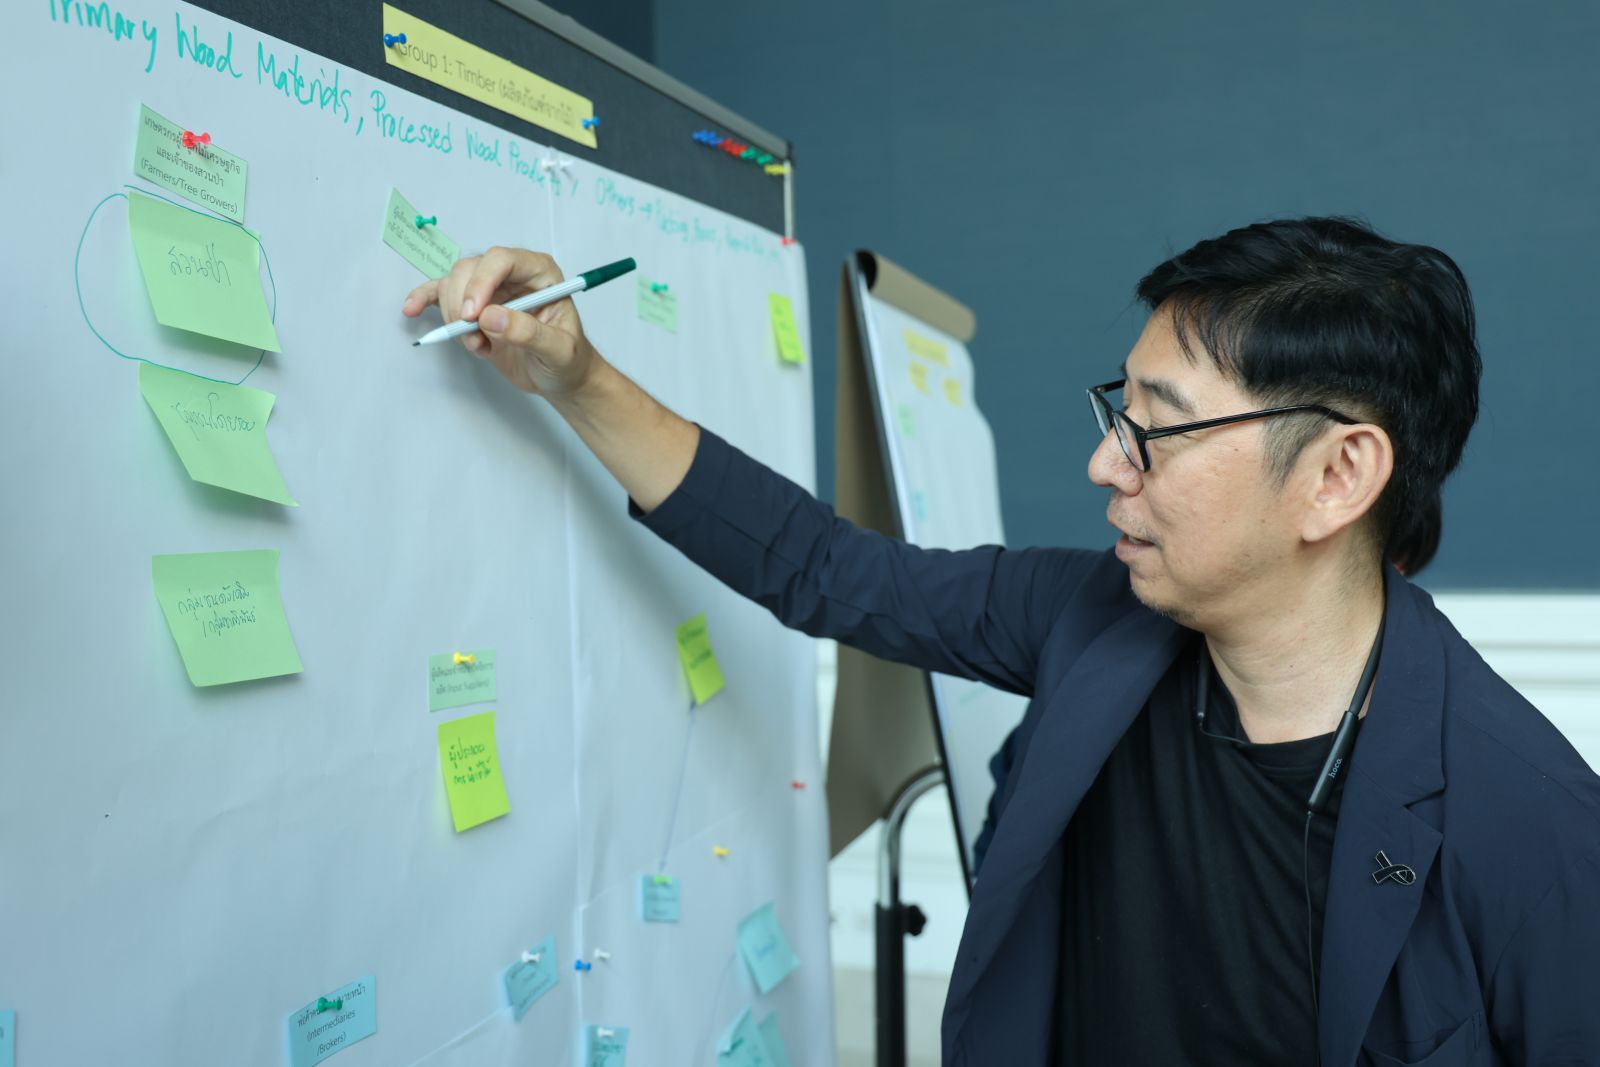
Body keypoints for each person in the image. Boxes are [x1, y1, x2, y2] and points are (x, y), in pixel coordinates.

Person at [402, 218, 1600, 1065]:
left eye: (1158, 429)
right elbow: (821, 567)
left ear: (1337, 475)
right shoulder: (1093, 618)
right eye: (1117, 410)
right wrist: (575, 374)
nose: (1104, 462)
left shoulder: (1531, 825)